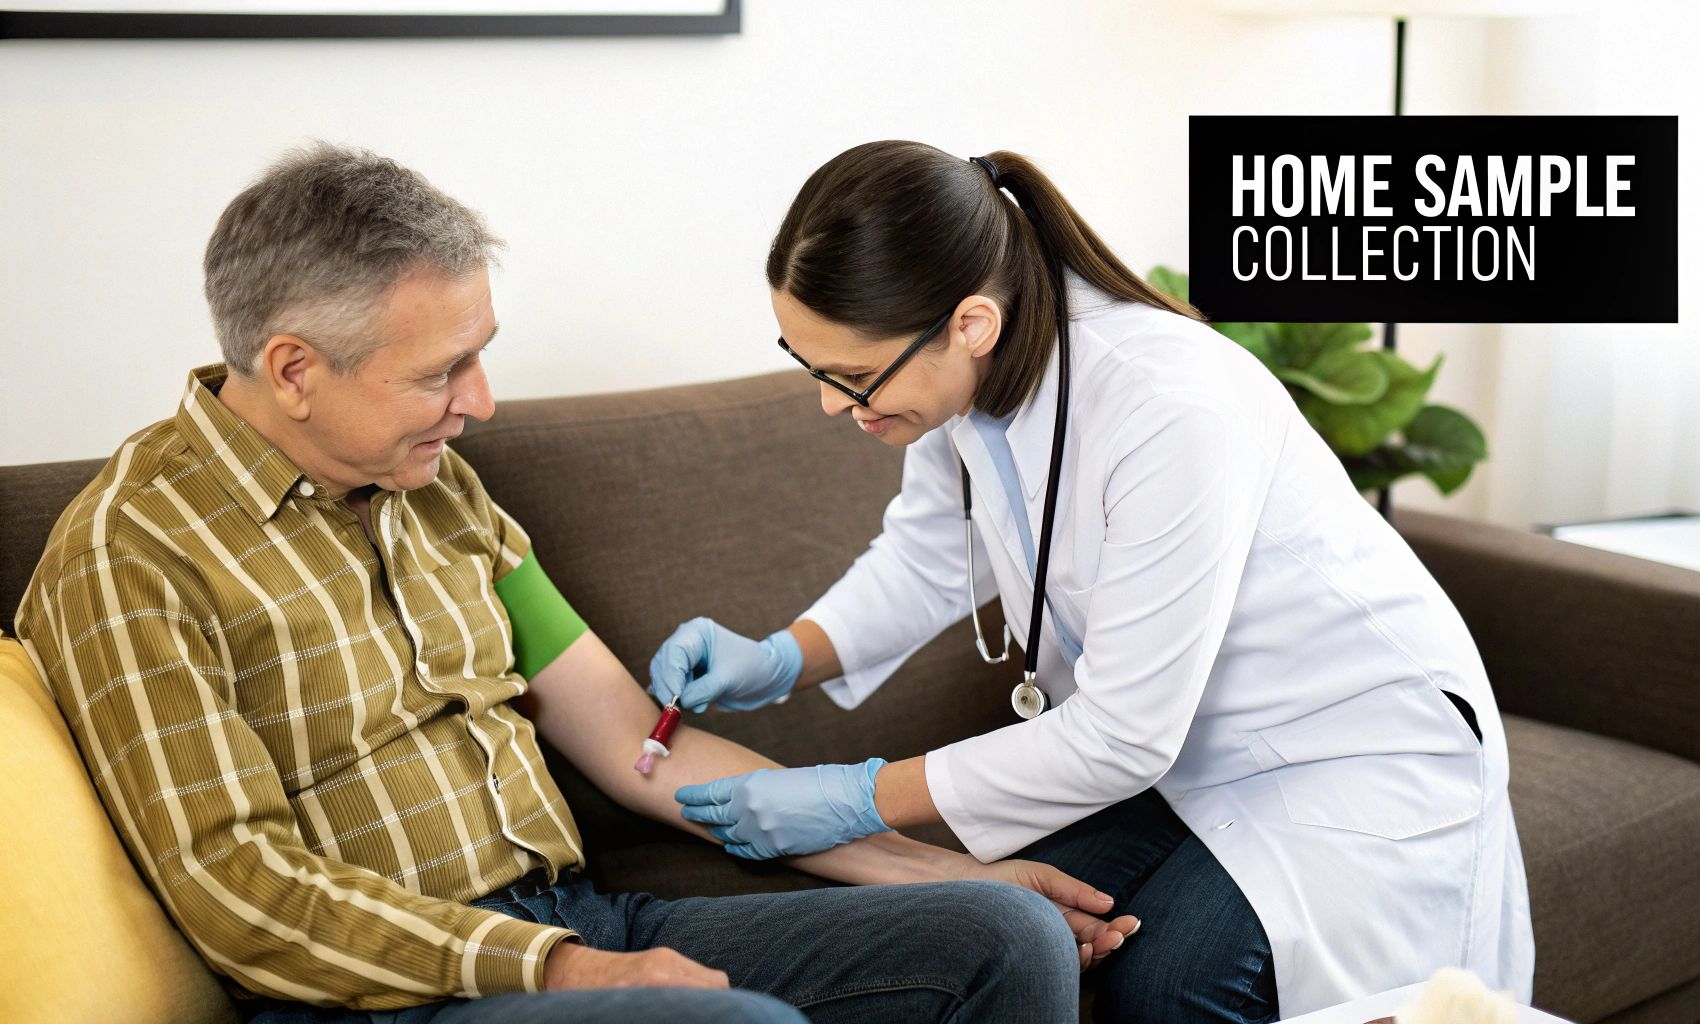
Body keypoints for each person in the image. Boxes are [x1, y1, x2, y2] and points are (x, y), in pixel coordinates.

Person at [12, 143, 1136, 1024]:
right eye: (441, 369)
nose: (482, 400)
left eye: (480, 350)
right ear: (296, 368)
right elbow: (240, 890)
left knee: (1000, 936)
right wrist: (564, 974)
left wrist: (933, 870)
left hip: (581, 914)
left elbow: (632, 742)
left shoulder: (434, 489)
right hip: (394, 995)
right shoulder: (132, 554)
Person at [650, 140, 1537, 1024]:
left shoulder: (1170, 404)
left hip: (1353, 749)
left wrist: (855, 796)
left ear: (970, 324)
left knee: (1168, 985)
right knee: (1005, 927)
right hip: (1184, 749)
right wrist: (777, 658)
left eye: (850, 376)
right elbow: (926, 559)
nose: (832, 406)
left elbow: (1122, 733)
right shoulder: (960, 391)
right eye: (813, 369)